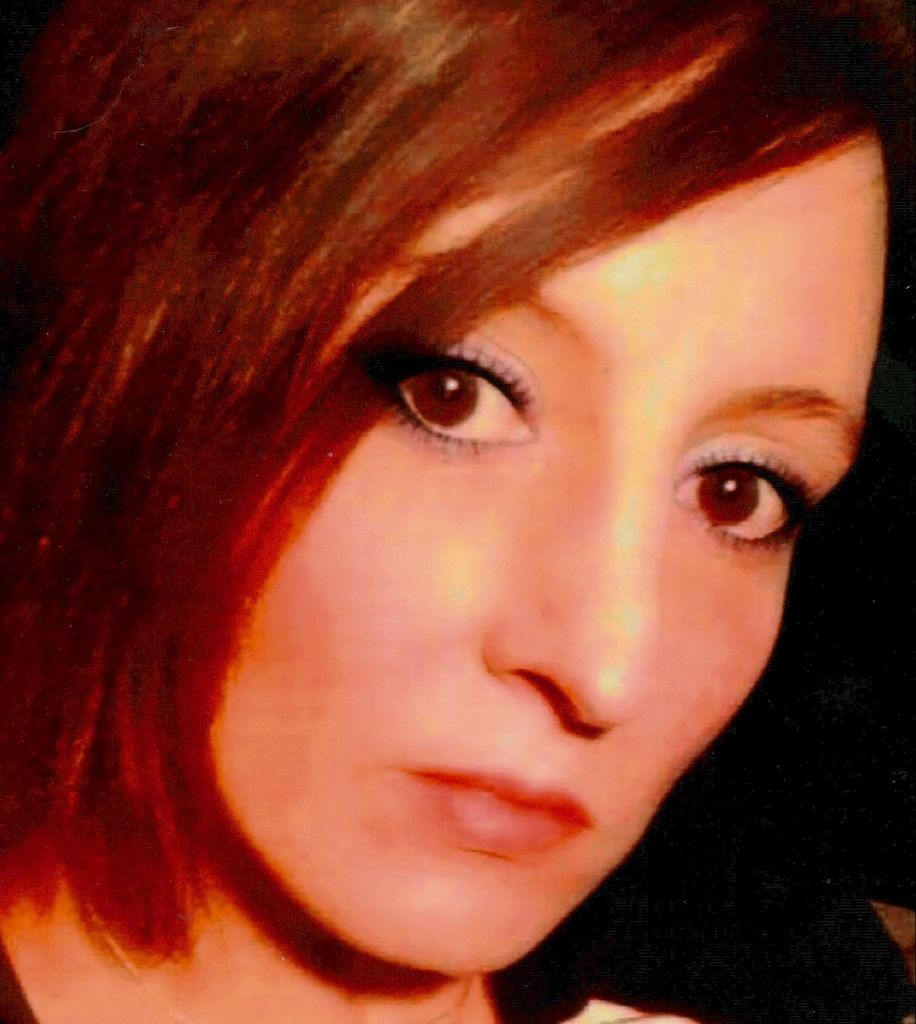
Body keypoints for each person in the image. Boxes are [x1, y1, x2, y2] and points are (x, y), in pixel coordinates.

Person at [0, 1, 911, 1022]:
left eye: (736, 491)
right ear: (143, 349)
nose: (608, 668)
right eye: (454, 394)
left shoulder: (780, 975)